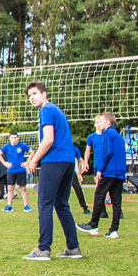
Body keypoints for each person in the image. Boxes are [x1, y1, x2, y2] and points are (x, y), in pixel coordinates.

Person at [22, 82, 82, 261]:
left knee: (44, 203)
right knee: (61, 204)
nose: (32, 97)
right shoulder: (57, 110)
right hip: (67, 161)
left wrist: (33, 159)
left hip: (54, 161)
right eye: (29, 96)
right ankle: (73, 247)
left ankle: (43, 249)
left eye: (34, 93)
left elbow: (48, 140)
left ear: (44, 94)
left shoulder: (46, 110)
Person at [77, 113, 126, 238]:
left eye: (101, 121)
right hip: (119, 172)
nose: (99, 123)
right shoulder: (119, 136)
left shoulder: (107, 133)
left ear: (108, 123)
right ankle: (113, 230)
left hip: (109, 171)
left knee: (99, 195)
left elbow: (107, 152)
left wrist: (101, 169)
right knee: (116, 201)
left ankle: (93, 225)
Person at [0, 132, 31, 213]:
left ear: (18, 138)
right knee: (10, 189)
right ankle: (9, 206)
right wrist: (5, 163)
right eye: (12, 137)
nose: (14, 139)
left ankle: (26, 206)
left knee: (23, 189)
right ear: (9, 138)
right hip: (11, 171)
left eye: (15, 137)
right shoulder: (7, 147)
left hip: (21, 170)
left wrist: (27, 162)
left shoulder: (22, 145)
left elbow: (32, 152)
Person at [80, 126, 107, 218]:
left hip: (106, 165)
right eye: (97, 122)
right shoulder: (91, 137)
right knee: (98, 188)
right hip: (97, 165)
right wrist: (86, 162)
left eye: (100, 121)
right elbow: (87, 151)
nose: (99, 124)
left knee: (110, 188)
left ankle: (118, 211)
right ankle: (103, 212)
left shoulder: (106, 135)